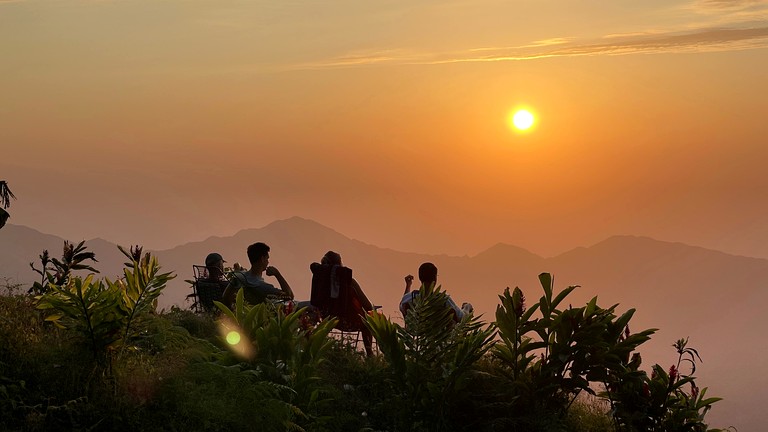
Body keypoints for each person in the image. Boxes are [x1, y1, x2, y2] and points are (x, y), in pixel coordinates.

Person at [313, 250, 376, 357]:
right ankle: (370, 355)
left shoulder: (319, 281)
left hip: (326, 320)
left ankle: (317, 350)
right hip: (348, 322)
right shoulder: (348, 282)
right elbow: (367, 305)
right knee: (368, 323)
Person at [222, 242, 294, 307]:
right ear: (262, 259)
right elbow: (290, 295)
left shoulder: (238, 277)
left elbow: (225, 297)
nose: (268, 262)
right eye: (267, 259)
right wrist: (277, 274)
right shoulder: (262, 286)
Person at [400, 262, 464, 322]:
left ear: (420, 277)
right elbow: (461, 318)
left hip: (415, 333)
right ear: (435, 278)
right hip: (438, 333)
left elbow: (403, 306)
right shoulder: (443, 300)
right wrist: (467, 308)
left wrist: (408, 285)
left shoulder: (409, 298)